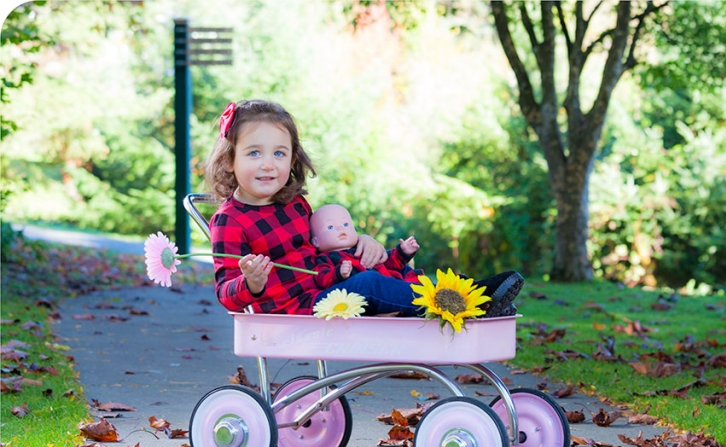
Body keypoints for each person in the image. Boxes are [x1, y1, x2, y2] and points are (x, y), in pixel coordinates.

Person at [204, 99, 523, 317]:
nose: (268, 165)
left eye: (279, 153)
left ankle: (468, 291)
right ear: (230, 160)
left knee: (388, 267)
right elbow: (225, 292)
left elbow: (327, 244)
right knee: (368, 285)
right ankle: (461, 305)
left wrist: (361, 243)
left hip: (325, 285)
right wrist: (251, 283)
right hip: (292, 311)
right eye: (254, 153)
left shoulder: (295, 204)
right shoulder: (229, 220)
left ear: (292, 158)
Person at [309, 203, 424, 288]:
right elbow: (321, 278)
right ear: (315, 242)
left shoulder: (362, 248)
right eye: (330, 227)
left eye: (345, 224)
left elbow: (387, 261)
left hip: (392, 285)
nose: (341, 229)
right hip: (367, 295)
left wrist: (403, 252)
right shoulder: (325, 259)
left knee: (414, 279)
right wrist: (338, 273)